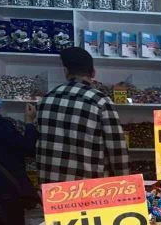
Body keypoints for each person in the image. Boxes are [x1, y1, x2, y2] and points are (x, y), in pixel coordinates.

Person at [37, 47, 129, 184]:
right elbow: (117, 150)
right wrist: (125, 183)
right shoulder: (100, 101)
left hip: (52, 187)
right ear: (93, 72)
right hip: (88, 189)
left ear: (66, 71)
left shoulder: (46, 99)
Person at [0, 98, 38, 225]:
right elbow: (28, 148)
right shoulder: (1, 125)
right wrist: (30, 123)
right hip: (6, 194)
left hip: (3, 193)